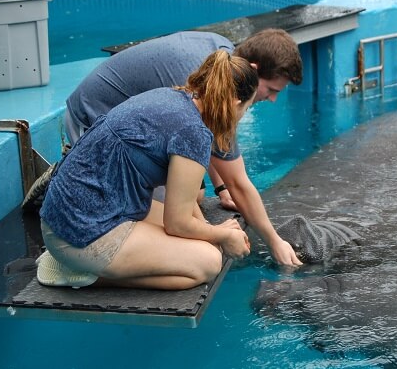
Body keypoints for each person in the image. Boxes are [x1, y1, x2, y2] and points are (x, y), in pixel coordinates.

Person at [62, 28, 304, 267]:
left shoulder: (221, 60)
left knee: (194, 197)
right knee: (185, 237)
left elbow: (207, 137)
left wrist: (220, 187)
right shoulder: (210, 85)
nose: (272, 99)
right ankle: (87, 258)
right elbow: (238, 182)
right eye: (271, 90)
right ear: (253, 69)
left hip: (130, 131)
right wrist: (275, 243)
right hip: (92, 118)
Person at [37, 50, 256, 290]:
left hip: (63, 218)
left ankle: (76, 260)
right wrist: (223, 237)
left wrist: (211, 231)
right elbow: (177, 225)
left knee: (203, 242)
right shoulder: (194, 134)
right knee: (209, 261)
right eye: (247, 107)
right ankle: (83, 274)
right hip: (80, 235)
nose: (244, 115)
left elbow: (183, 196)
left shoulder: (172, 97)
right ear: (236, 103)